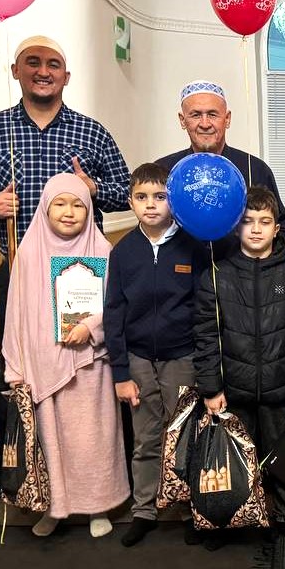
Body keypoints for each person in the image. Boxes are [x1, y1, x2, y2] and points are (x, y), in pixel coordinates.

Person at [0, 35, 131, 482]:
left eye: (53, 64)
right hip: (20, 273)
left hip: (82, 278)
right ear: (16, 71)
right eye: (32, 63)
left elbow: (127, 191)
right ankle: (27, 481)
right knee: (20, 376)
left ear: (66, 76)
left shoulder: (92, 132)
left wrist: (93, 189)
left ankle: (95, 480)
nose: (43, 71)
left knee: (87, 376)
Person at [4, 174, 128, 538]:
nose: (69, 212)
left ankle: (98, 506)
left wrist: (91, 327)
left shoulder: (103, 250)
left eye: (77, 205)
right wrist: (15, 366)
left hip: (90, 363)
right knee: (51, 441)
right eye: (59, 204)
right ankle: (55, 508)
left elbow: (118, 305)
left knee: (93, 440)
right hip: (43, 365)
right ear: (45, 208)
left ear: (89, 210)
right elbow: (15, 313)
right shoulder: (29, 252)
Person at [193, 186, 285, 550]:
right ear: (235, 227)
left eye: (265, 221)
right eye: (248, 221)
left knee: (284, 457)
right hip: (234, 388)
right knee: (235, 460)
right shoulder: (217, 274)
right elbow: (206, 335)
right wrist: (211, 388)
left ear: (277, 228)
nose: (256, 229)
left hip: (280, 385)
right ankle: (230, 519)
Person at [104, 163, 201, 548]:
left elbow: (203, 308)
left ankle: (190, 507)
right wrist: (121, 373)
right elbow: (114, 314)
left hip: (182, 357)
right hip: (139, 359)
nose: (150, 205)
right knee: (146, 438)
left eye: (160, 197)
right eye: (141, 197)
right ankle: (144, 510)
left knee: (185, 435)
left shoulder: (192, 245)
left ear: (172, 201)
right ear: (130, 202)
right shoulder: (123, 252)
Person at [156, 80, 285, 265]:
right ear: (182, 120)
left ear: (227, 119)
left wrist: (257, 268)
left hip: (242, 278)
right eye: (196, 115)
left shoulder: (255, 168)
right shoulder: (164, 170)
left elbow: (281, 228)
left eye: (213, 114)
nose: (205, 124)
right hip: (181, 277)